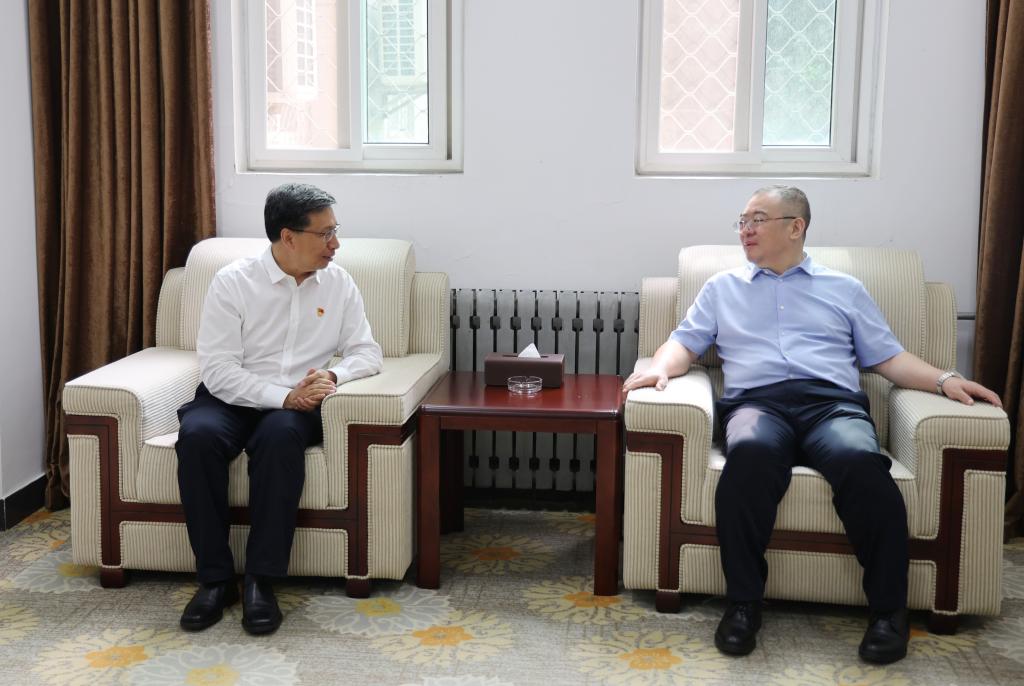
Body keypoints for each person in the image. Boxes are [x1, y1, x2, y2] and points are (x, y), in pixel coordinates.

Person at [622, 185, 1002, 664]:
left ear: (795, 227)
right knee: (749, 457)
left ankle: (889, 613)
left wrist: (946, 379)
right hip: (757, 405)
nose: (745, 230)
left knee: (862, 463)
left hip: (831, 407)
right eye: (742, 221)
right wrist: (660, 367)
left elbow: (888, 357)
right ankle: (743, 604)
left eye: (757, 219)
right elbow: (684, 343)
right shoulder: (722, 288)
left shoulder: (844, 289)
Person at [175, 183, 383, 635]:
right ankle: (215, 581)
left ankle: (260, 581)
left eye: (335, 231)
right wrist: (281, 396)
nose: (335, 244)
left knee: (280, 437)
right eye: (325, 234)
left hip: (297, 405)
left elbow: (367, 352)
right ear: (288, 236)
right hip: (232, 397)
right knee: (197, 437)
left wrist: (332, 376)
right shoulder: (233, 282)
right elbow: (219, 370)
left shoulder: (338, 283)